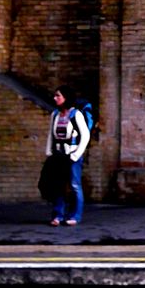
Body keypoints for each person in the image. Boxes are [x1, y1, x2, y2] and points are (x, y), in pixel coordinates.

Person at [46, 85, 90, 226]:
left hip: (71, 156)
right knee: (58, 186)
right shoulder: (55, 115)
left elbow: (85, 135)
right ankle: (58, 215)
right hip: (58, 155)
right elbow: (50, 135)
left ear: (66, 97)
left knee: (74, 185)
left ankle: (75, 216)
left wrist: (76, 154)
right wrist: (49, 152)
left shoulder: (75, 114)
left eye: (58, 95)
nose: (55, 98)